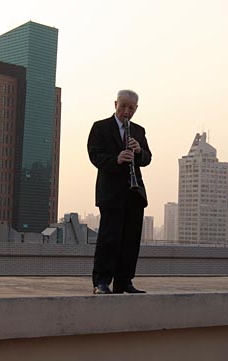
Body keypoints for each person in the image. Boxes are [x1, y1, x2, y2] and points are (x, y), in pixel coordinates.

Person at [87, 89, 152, 294]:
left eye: (131, 108)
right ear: (115, 104)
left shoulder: (139, 131)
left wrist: (139, 151)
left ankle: (124, 281)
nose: (126, 111)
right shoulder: (101, 127)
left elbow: (148, 158)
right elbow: (94, 155)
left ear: (136, 109)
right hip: (111, 193)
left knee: (130, 240)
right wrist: (116, 159)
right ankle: (102, 281)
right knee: (109, 238)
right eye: (123, 106)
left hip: (134, 193)